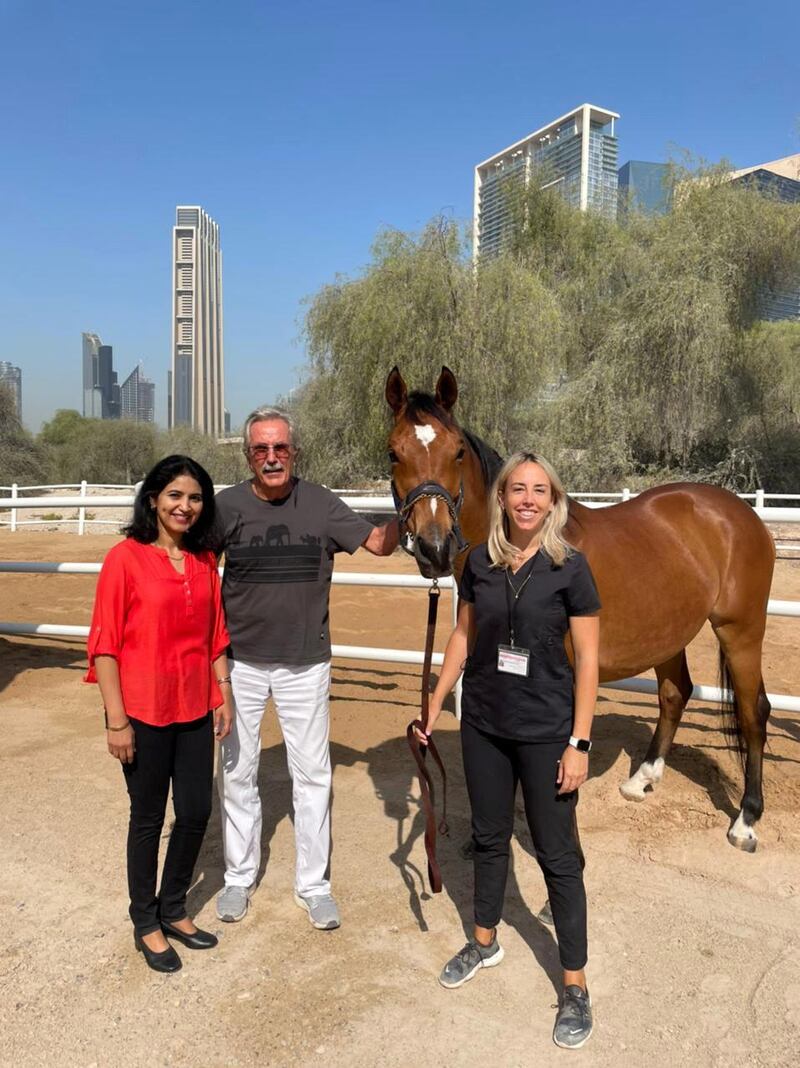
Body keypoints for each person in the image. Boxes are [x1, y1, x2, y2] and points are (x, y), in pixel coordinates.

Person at [417, 451, 601, 1049]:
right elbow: (464, 635)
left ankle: (573, 983)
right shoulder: (479, 565)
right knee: (490, 838)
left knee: (557, 854)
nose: (527, 499)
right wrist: (435, 699)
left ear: (553, 501)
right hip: (485, 724)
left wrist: (579, 741)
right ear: (501, 497)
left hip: (548, 729)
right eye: (517, 488)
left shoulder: (570, 568)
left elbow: (590, 662)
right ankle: (485, 939)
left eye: (538, 491)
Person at [214, 406, 398, 930]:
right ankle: (238, 877)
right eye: (260, 449)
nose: (271, 457)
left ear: (294, 451)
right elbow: (193, 569)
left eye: (280, 448)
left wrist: (412, 505)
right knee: (236, 772)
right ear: (248, 454)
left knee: (312, 776)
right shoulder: (225, 508)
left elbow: (379, 545)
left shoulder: (320, 502)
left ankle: (314, 885)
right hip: (240, 665)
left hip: (305, 663)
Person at [86, 455, 234, 974]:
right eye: (174, 495)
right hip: (143, 712)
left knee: (195, 812)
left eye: (194, 498)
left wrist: (224, 692)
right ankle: (145, 920)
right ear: (153, 499)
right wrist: (116, 719)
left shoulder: (204, 561)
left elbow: (215, 634)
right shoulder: (124, 559)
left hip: (194, 706)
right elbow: (104, 645)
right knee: (148, 817)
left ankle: (174, 907)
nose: (185, 506)